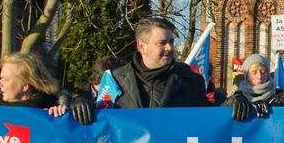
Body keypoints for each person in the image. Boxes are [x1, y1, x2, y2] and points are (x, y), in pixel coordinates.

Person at [70, 17, 209, 124]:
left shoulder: (191, 80)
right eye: (162, 43)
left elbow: (209, 120)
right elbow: (100, 122)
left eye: (171, 42)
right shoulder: (115, 80)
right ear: (142, 46)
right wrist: (80, 101)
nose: (169, 48)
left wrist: (228, 105)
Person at [0, 52, 69, 116]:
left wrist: (59, 118)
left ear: (25, 86)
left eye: (5, 79)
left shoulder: (53, 109)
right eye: (0, 78)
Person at [223, 54, 280, 121]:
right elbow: (218, 113)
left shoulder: (279, 95)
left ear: (268, 74)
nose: (259, 76)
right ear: (247, 77)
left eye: (263, 71)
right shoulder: (238, 95)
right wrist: (232, 101)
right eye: (254, 72)